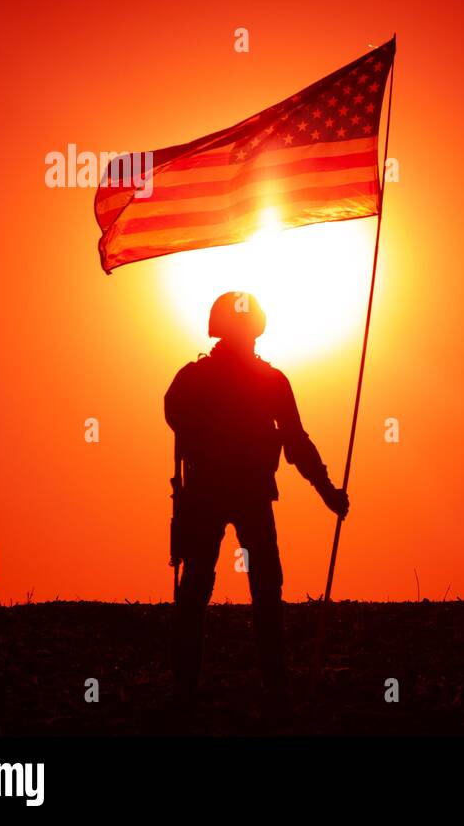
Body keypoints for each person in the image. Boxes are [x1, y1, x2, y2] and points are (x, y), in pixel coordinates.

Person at [164, 291, 349, 713]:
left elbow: (295, 442)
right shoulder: (234, 380)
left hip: (231, 494)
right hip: (228, 494)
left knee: (239, 588)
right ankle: (257, 688)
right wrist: (328, 493)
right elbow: (296, 443)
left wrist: (326, 491)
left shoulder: (205, 379)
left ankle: (207, 689)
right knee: (224, 588)